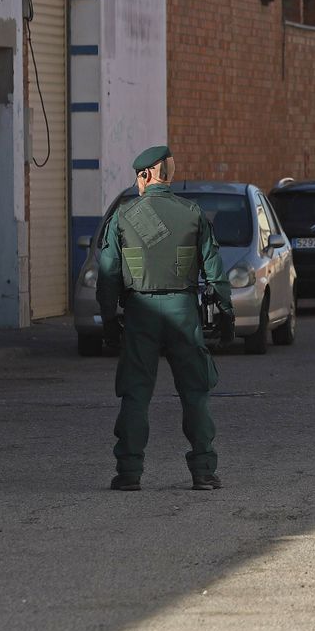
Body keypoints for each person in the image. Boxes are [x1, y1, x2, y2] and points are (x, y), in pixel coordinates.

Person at [95, 144, 232, 492]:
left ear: (146, 174)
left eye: (138, 177)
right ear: (168, 174)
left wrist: (109, 320)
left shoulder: (123, 216)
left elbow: (108, 275)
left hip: (140, 312)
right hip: (183, 312)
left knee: (135, 394)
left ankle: (129, 473)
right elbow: (215, 271)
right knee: (195, 392)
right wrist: (227, 314)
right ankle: (203, 471)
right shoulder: (193, 213)